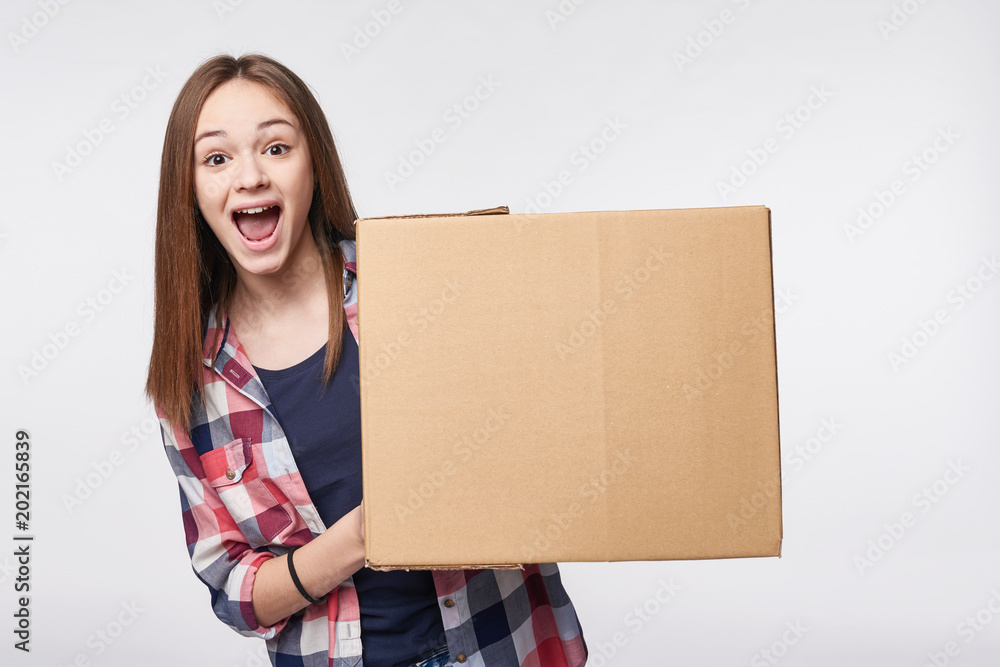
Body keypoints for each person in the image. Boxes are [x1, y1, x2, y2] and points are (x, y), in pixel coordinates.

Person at [145, 53, 588, 667]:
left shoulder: (423, 286)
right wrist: (356, 541)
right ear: (190, 190)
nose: (250, 177)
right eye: (217, 158)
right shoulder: (189, 382)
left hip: (502, 646)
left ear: (313, 165)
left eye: (276, 148)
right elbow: (234, 591)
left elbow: (550, 433)